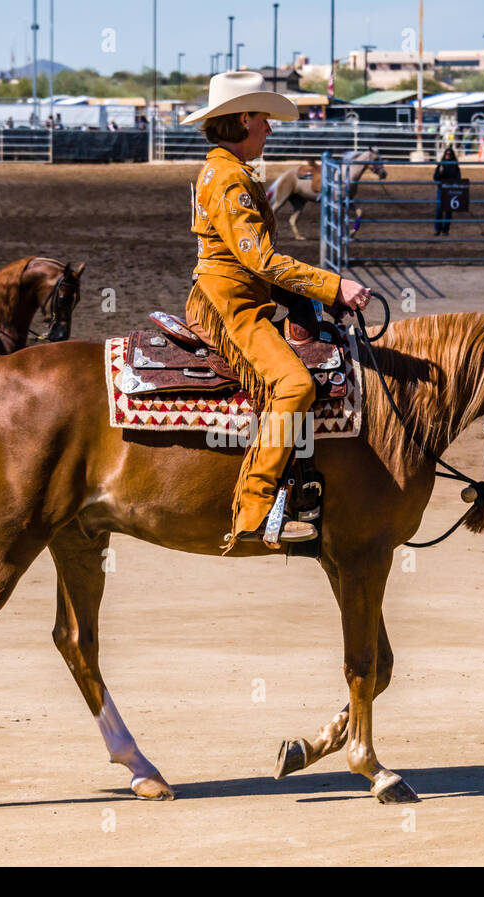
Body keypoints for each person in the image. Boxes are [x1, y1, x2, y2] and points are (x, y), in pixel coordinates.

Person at [181, 71, 373, 550]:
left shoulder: (230, 170)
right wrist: (334, 287)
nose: (270, 128)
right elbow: (260, 259)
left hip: (242, 292)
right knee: (293, 385)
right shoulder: (229, 178)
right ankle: (255, 507)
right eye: (264, 118)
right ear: (244, 119)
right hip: (229, 304)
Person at [432, 145, 461, 236]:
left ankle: (445, 230)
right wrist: (440, 173)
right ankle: (438, 229)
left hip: (450, 190)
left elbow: (458, 178)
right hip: (442, 188)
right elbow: (435, 177)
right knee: (439, 209)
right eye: (446, 153)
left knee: (448, 210)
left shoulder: (455, 166)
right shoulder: (441, 164)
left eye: (449, 154)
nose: (448, 155)